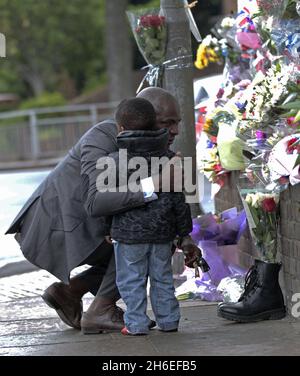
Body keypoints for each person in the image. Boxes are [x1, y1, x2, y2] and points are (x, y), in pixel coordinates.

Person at [6, 87, 199, 334]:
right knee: (144, 234)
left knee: (156, 231)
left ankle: (70, 291)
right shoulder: (102, 137)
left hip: (95, 224)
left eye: (178, 123)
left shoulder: (156, 146)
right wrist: (157, 182)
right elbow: (96, 201)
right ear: (146, 118)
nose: (175, 131)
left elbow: (174, 199)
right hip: (59, 226)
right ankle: (101, 309)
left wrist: (186, 237)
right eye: (167, 123)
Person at [99, 97, 200, 335]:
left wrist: (105, 228)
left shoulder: (113, 160)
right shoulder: (169, 158)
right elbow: (180, 201)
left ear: (121, 129)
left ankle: (136, 324)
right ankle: (169, 321)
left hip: (128, 236)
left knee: (131, 282)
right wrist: (184, 234)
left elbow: (108, 201)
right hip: (162, 235)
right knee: (163, 278)